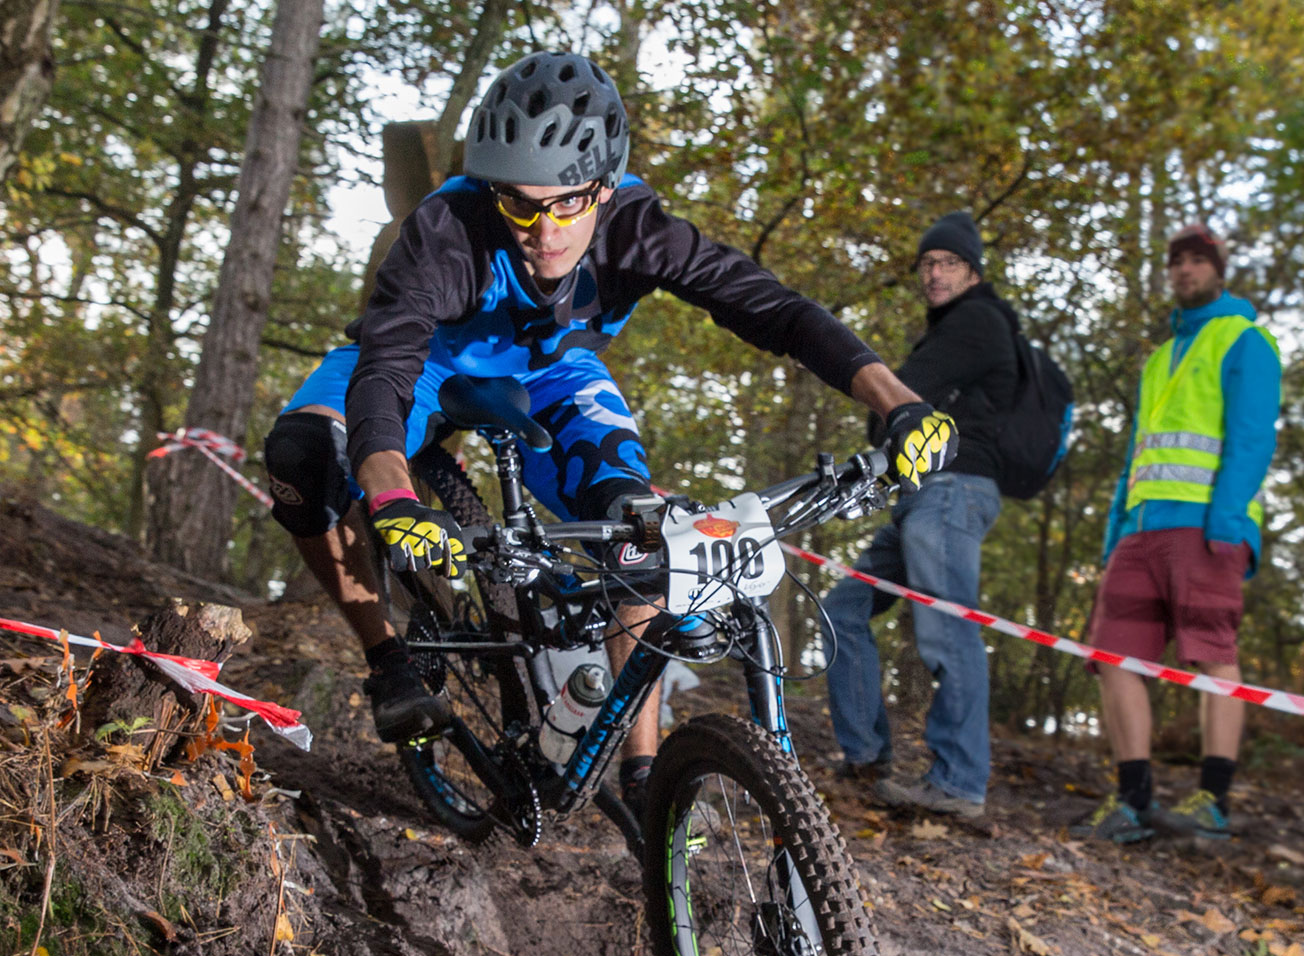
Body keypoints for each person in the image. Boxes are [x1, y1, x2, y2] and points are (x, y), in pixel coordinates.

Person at [261, 50, 959, 815]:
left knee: (643, 536)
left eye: (568, 204)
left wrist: (899, 404)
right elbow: (386, 368)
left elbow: (775, 310)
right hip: (426, 361)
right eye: (520, 206)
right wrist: (392, 495)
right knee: (303, 453)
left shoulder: (637, 227)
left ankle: (642, 770)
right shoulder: (447, 226)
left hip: (558, 370)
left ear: (604, 185)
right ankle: (388, 658)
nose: (544, 231)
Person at [1077, 224, 1282, 843]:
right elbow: (1136, 455)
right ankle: (1131, 802)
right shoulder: (1160, 357)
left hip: (1205, 529)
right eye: (1177, 262)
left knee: (1214, 653)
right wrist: (1115, 532)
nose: (1185, 270)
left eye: (1198, 260)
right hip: (1139, 534)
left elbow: (1251, 439)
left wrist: (1225, 522)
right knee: (1113, 657)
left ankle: (1210, 804)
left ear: (1218, 270)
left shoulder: (1245, 341)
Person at [820, 211, 1015, 819]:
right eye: (928, 263)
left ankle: (958, 783)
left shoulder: (980, 321)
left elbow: (900, 395)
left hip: (953, 491)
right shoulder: (951, 329)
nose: (934, 273)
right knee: (842, 609)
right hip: (923, 492)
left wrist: (884, 417)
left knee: (947, 630)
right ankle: (865, 756)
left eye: (948, 262)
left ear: (973, 272)